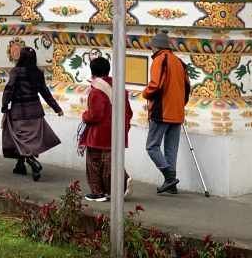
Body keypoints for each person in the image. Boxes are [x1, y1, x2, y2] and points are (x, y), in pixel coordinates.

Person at [1, 46, 62, 181]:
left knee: (21, 140)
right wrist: (57, 108)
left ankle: (33, 162)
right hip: (35, 112)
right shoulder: (38, 73)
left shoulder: (15, 72)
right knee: (30, 140)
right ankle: (20, 165)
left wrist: (4, 104)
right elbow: (45, 92)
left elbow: (9, 89)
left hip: (19, 112)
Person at [79, 56, 133, 203]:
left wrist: (84, 115)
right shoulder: (120, 87)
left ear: (93, 73)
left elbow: (95, 115)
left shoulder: (96, 90)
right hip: (117, 131)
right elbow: (129, 112)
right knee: (111, 161)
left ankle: (98, 193)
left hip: (99, 134)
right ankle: (121, 184)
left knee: (94, 163)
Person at [142, 30, 190, 194]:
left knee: (152, 147)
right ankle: (171, 185)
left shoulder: (159, 60)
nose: (151, 49)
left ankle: (169, 177)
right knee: (171, 149)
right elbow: (187, 87)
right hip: (177, 111)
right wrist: (180, 105)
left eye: (151, 46)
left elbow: (155, 85)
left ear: (156, 46)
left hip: (162, 110)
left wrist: (145, 93)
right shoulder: (179, 61)